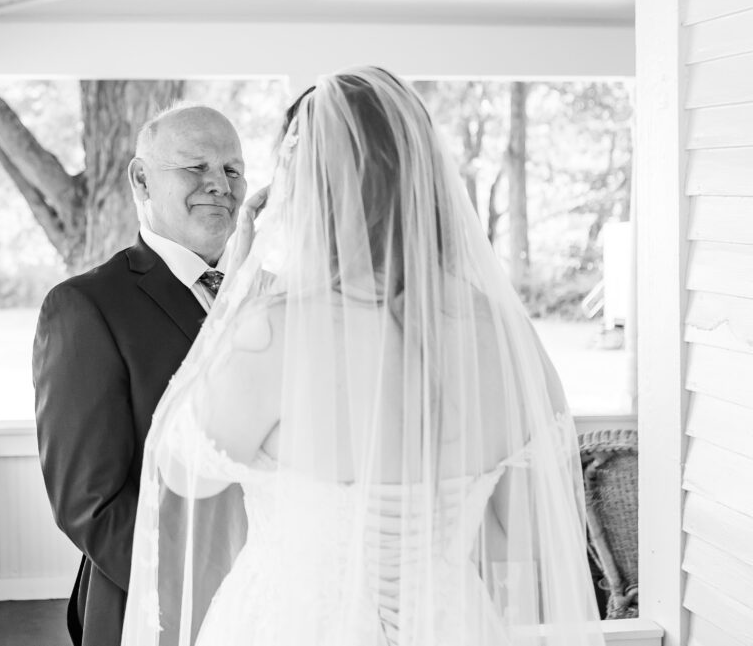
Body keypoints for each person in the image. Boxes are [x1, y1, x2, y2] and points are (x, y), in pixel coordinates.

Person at [122, 68, 605, 646]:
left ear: (305, 191)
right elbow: (526, 537)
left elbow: (183, 475)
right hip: (452, 624)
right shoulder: (503, 336)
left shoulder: (274, 333)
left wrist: (232, 303)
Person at [34, 104, 248, 646]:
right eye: (195, 167)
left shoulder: (267, 292)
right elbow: (90, 504)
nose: (218, 185)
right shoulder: (85, 307)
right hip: (151, 606)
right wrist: (204, 589)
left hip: (265, 598)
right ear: (140, 178)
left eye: (231, 169)